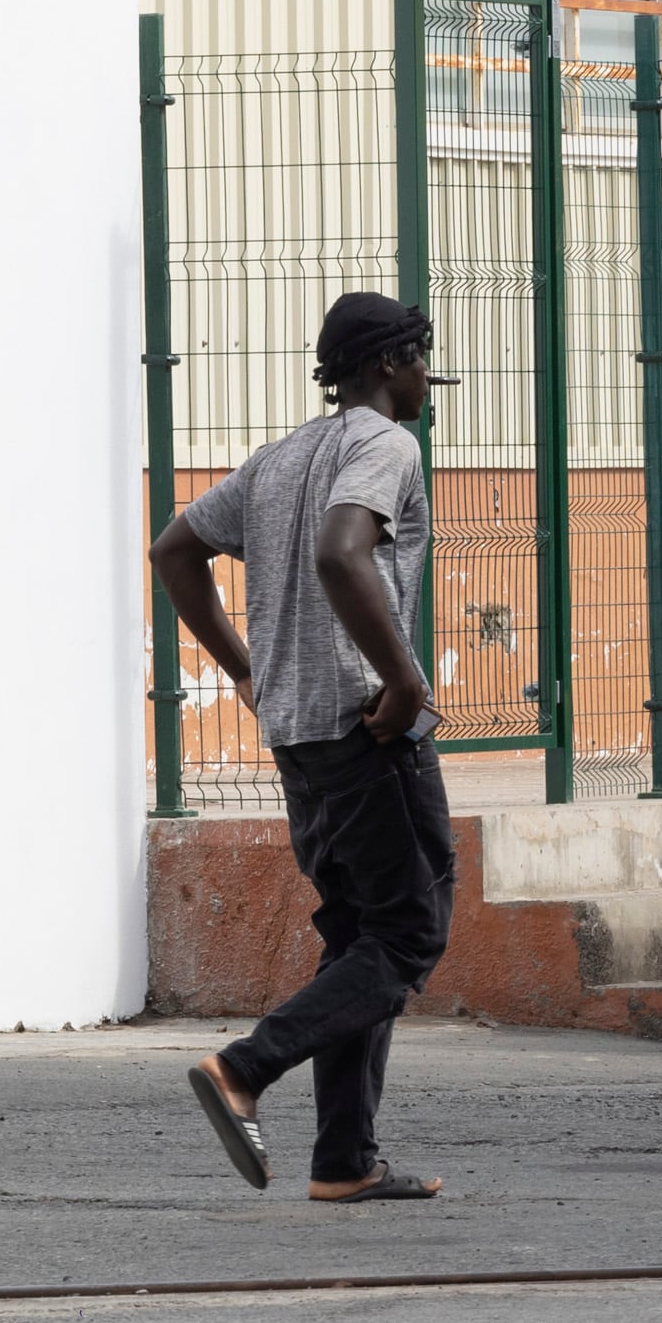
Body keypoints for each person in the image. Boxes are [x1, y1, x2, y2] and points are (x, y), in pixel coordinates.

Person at [150, 291, 455, 1202]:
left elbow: (173, 550)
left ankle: (343, 1159)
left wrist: (246, 672)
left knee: (359, 933)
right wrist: (402, 681)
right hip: (368, 729)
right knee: (408, 935)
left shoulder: (277, 459)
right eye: (420, 359)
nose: (425, 380)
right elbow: (341, 551)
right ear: (391, 363)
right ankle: (246, 1065)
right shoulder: (385, 443)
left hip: (300, 739)